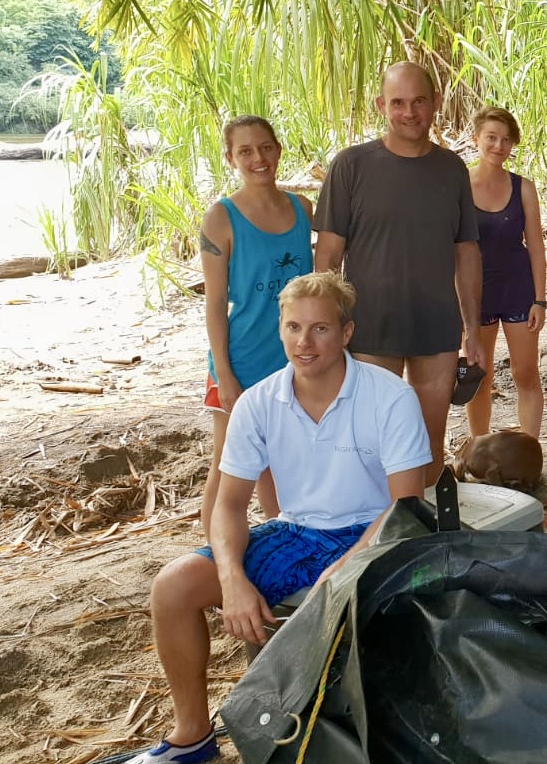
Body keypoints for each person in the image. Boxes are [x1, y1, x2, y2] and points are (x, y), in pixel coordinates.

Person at [126, 272, 430, 764]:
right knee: (174, 586)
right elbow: (227, 506)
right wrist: (232, 580)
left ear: (347, 332)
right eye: (292, 327)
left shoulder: (390, 397)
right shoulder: (258, 402)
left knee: (342, 599)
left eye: (320, 329)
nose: (304, 343)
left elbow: (404, 506)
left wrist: (342, 571)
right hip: (296, 531)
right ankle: (194, 735)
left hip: (377, 534)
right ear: (280, 329)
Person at [315, 61, 484, 484]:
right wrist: (323, 326)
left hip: (435, 326)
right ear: (381, 106)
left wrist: (472, 330)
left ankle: (424, 536)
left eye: (419, 101)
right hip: (370, 326)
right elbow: (328, 255)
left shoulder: (452, 169)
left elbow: (466, 252)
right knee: (371, 441)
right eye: (398, 103)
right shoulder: (351, 166)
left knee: (429, 439)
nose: (409, 112)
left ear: (436, 104)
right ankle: (376, 537)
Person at [199, 116, 313, 538]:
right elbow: (213, 305)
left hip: (296, 357)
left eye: (265, 147)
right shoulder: (221, 218)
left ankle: (281, 541)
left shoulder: (302, 208)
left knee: (281, 457)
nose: (258, 158)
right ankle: (212, 557)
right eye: (245, 151)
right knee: (228, 461)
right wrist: (224, 375)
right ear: (230, 158)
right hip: (243, 358)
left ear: (278, 149)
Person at [465, 106, 547, 438]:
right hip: (476, 293)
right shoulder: (459, 185)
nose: (498, 146)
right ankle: (479, 448)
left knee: (525, 373)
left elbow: (537, 247)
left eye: (505, 139)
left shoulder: (524, 187)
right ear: (476, 139)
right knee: (479, 377)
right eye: (491, 138)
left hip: (518, 288)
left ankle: (530, 449)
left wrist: (540, 300)